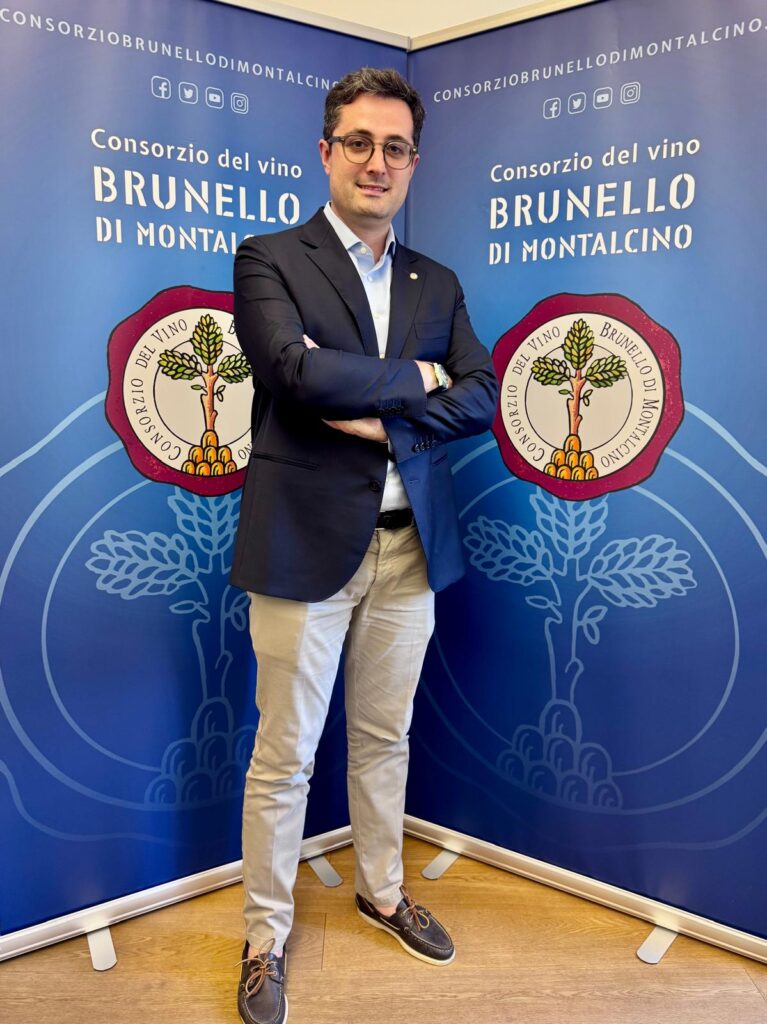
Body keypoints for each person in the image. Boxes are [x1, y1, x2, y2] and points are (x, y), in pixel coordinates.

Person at [231, 66, 498, 1024]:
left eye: (394, 147)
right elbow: (292, 373)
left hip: (409, 547)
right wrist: (417, 381)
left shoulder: (438, 282)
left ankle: (381, 892)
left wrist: (380, 410)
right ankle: (265, 936)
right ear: (326, 151)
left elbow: (482, 394)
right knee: (285, 757)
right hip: (303, 545)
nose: (375, 163)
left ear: (413, 162)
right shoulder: (269, 258)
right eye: (358, 143)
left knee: (384, 740)